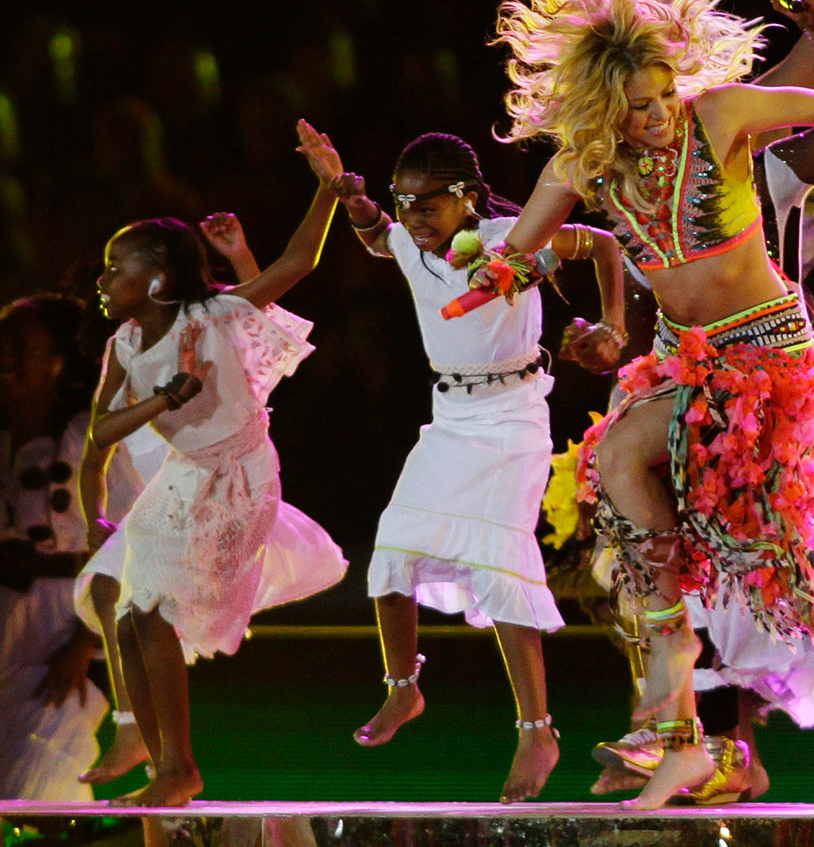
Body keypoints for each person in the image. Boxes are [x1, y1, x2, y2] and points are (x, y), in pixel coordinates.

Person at [489, 0, 814, 809]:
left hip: (769, 350)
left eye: (666, 92)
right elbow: (515, 247)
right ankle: (678, 733)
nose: (661, 113)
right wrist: (487, 268)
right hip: (684, 355)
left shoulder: (719, 115)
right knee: (617, 474)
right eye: (639, 105)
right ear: (602, 111)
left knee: (735, 532)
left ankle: (697, 719)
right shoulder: (580, 168)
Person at [299, 123, 624, 804]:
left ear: (469, 198)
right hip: (450, 417)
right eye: (404, 199)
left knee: (498, 565)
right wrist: (349, 194)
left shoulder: (512, 237)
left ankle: (537, 729)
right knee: (391, 552)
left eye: (429, 202)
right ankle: (403, 688)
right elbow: (373, 233)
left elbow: (602, 244)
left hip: (512, 419)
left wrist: (612, 327)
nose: (414, 214)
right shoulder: (407, 241)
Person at [86, 130, 346, 806]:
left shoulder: (213, 314)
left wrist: (325, 189)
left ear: (159, 278)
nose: (103, 279)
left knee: (154, 613)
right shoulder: (123, 343)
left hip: (239, 474)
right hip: (182, 476)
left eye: (117, 267)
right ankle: (164, 762)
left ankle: (179, 766)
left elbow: (296, 263)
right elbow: (99, 433)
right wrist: (95, 513)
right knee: (125, 619)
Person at [0, 295, 106, 799]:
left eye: (20, 347)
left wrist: (86, 640)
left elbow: (122, 539)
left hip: (62, 625)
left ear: (58, 361)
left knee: (36, 773)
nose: (5, 358)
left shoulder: (86, 439)